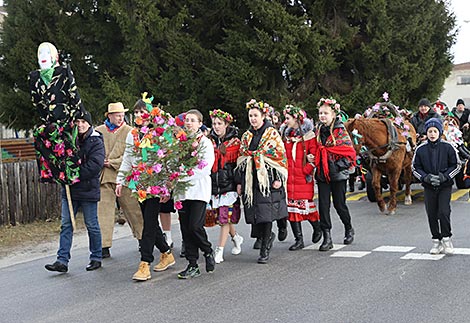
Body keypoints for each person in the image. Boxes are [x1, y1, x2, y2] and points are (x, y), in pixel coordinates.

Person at [116, 99, 175, 281]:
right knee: (149, 222)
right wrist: (120, 180)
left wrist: (167, 187)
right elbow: (127, 157)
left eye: (143, 112)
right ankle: (166, 252)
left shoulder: (160, 133)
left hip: (156, 183)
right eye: (136, 113)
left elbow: (168, 161)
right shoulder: (132, 134)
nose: (139, 116)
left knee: (148, 224)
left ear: (151, 114)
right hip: (139, 184)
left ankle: (145, 263)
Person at [45, 110, 105, 273]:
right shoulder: (68, 139)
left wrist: (73, 175)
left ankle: (96, 257)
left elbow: (95, 165)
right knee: (66, 224)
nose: (80, 125)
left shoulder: (96, 141)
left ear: (89, 123)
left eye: (83, 122)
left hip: (88, 189)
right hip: (70, 191)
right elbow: (60, 158)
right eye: (77, 122)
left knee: (91, 224)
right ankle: (62, 260)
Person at [236, 99, 288, 263]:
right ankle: (265, 237)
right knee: (255, 215)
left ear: (263, 116)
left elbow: (280, 157)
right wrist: (239, 182)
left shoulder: (272, 134)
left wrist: (278, 178)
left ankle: (265, 248)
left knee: (266, 215)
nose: (253, 119)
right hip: (251, 181)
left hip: (267, 180)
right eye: (250, 116)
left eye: (256, 115)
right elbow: (241, 159)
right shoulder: (246, 136)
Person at [29, 42, 84, 185]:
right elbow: (37, 103)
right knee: (40, 134)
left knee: (66, 148)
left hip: (65, 121)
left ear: (55, 56)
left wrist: (75, 118)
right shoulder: (35, 78)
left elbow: (74, 97)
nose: (43, 57)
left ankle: (69, 173)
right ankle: (50, 173)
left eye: (47, 53)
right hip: (49, 125)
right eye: (40, 53)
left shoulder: (64, 72)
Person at [95, 102, 143, 258]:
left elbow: (133, 154)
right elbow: (93, 150)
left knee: (134, 210)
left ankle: (143, 239)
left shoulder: (131, 131)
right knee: (104, 213)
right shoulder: (98, 131)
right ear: (109, 116)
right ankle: (104, 246)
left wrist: (113, 162)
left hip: (126, 178)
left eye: (122, 114)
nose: (120, 117)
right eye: (117, 115)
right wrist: (100, 161)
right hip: (105, 178)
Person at [176, 109, 216, 279]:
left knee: (195, 226)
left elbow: (204, 168)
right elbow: (171, 162)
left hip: (199, 190)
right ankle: (192, 264)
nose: (189, 123)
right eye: (187, 120)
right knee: (185, 229)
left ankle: (207, 250)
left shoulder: (205, 143)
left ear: (200, 123)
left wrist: (182, 176)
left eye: (193, 120)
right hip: (182, 192)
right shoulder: (179, 143)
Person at [412, 118, 461, 254]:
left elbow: (456, 165)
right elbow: (415, 167)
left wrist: (444, 176)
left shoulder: (448, 147)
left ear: (439, 132)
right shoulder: (421, 149)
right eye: (429, 131)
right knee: (432, 213)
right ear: (426, 133)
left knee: (443, 212)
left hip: (444, 185)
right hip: (429, 186)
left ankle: (446, 239)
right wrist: (425, 177)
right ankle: (436, 241)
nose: (432, 134)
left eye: (435, 131)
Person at [314, 98, 356, 251]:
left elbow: (349, 153)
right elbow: (314, 148)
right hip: (322, 173)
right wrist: (313, 157)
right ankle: (327, 237)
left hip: (338, 174)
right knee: (323, 206)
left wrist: (336, 166)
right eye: (320, 113)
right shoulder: (317, 130)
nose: (322, 116)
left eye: (326, 113)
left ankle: (348, 227)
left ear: (333, 114)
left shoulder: (340, 130)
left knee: (340, 204)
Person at [280, 105, 321, 250]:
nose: (285, 122)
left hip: (302, 178)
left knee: (307, 208)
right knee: (291, 210)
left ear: (296, 119)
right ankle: (299, 239)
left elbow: (314, 155)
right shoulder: (286, 137)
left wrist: (307, 170)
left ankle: (317, 227)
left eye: (288, 118)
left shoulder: (309, 136)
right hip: (289, 178)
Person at [209, 109, 244, 264]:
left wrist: (239, 183)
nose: (216, 127)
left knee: (224, 218)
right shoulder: (209, 141)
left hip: (229, 185)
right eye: (214, 123)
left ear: (226, 124)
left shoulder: (235, 143)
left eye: (219, 124)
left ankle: (219, 250)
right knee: (222, 218)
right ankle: (236, 237)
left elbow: (239, 166)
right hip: (215, 185)